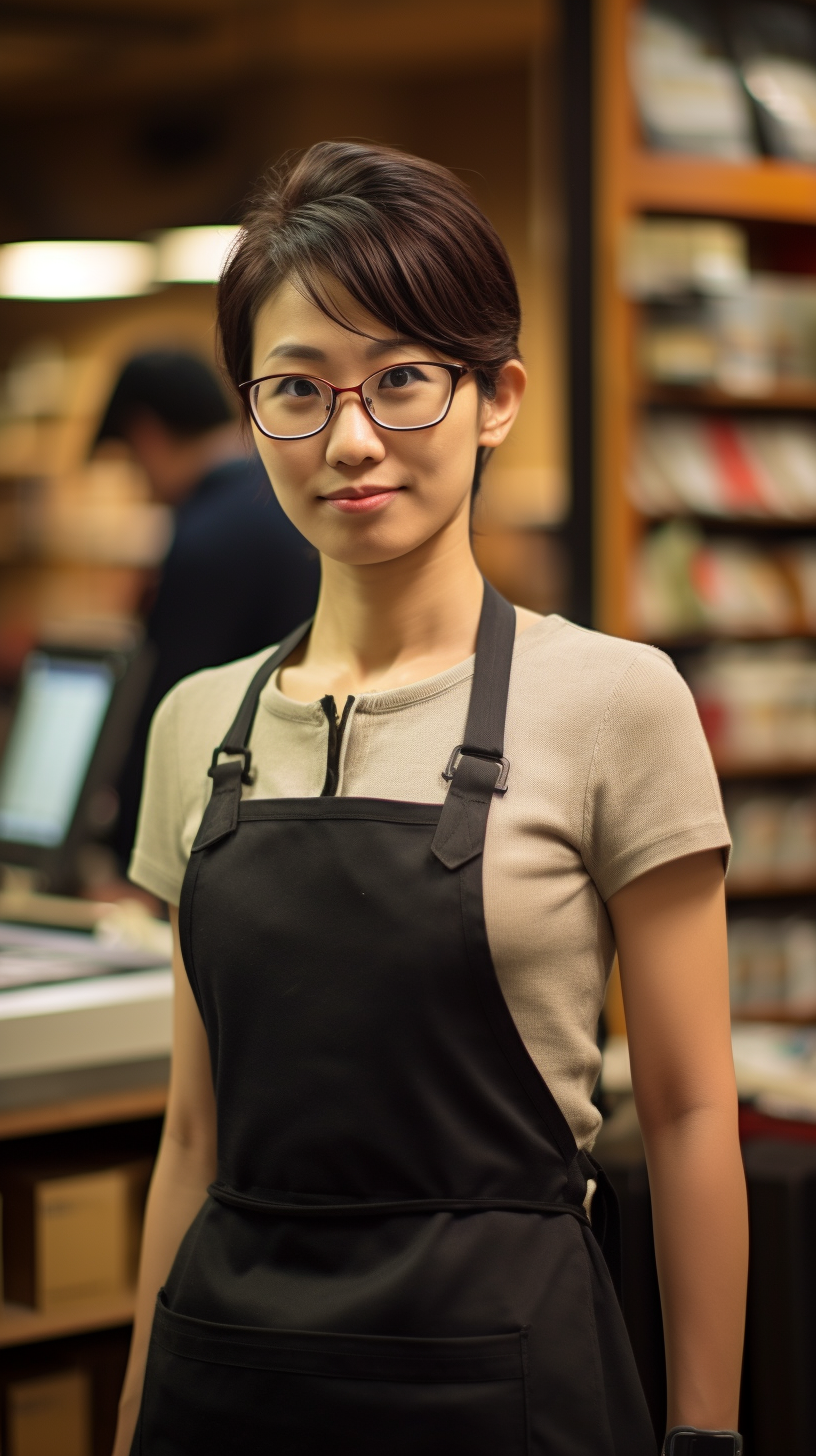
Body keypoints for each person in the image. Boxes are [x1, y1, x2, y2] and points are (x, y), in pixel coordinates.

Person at [113, 143, 747, 1456]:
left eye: (400, 380)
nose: (350, 439)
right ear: (251, 414)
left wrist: (705, 1435)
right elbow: (192, 1137)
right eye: (297, 390)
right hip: (224, 1385)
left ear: (494, 397)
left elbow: (689, 1114)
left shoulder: (614, 703)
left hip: (507, 1388)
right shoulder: (198, 728)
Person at [94, 349, 320, 864]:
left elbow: (169, 709)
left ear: (146, 435)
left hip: (223, 833)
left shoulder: (205, 535)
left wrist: (127, 854)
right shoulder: (283, 497)